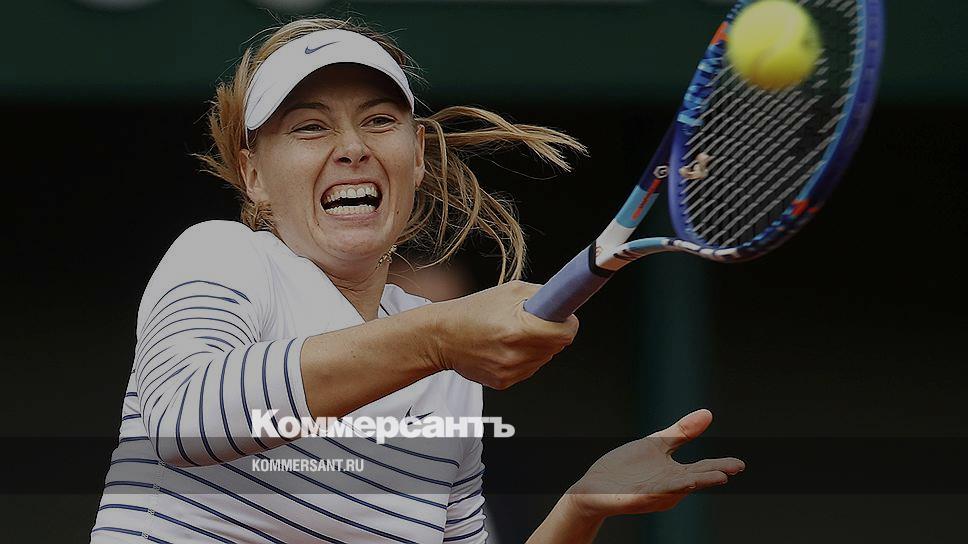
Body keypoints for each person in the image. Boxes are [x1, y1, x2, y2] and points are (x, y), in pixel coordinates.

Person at [90, 18, 743, 543]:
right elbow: (182, 419)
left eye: (379, 120)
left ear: (418, 156)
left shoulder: (446, 379)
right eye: (310, 127)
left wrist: (582, 506)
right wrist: (437, 336)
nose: (352, 147)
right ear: (254, 175)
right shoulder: (221, 254)